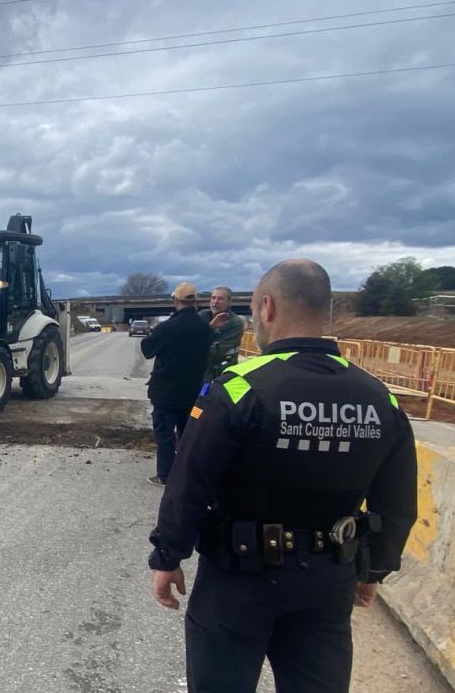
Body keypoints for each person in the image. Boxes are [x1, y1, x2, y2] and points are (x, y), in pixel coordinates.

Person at [147, 259, 417, 693]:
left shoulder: (238, 388)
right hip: (328, 579)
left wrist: (167, 556)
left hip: (239, 578)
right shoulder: (378, 397)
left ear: (267, 307)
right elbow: (398, 499)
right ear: (324, 309)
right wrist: (375, 567)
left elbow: (189, 482)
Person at [140, 281, 212, 487]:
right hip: (193, 391)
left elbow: (147, 349)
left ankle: (165, 474)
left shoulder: (167, 327)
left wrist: (150, 335)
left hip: (166, 392)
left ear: (175, 300)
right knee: (188, 435)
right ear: (195, 302)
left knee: (165, 435)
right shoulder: (204, 328)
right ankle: (186, 474)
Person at [199, 286, 245, 382]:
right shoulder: (202, 315)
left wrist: (192, 347)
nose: (215, 302)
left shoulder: (236, 323)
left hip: (221, 376)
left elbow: (216, 352)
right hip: (199, 374)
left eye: (220, 299)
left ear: (229, 302)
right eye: (213, 298)